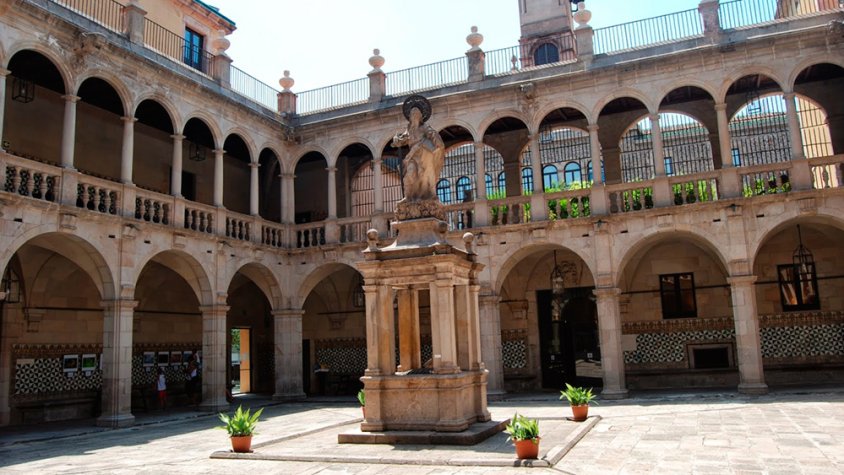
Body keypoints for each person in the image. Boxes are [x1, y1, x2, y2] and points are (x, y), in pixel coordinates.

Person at [391, 95, 445, 203]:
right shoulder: (409, 130)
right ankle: (408, 197)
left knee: (425, 176)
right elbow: (402, 139)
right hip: (412, 157)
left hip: (424, 155)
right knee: (409, 174)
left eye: (416, 114)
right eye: (412, 114)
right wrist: (397, 140)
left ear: (420, 116)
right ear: (410, 117)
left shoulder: (424, 127)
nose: (414, 116)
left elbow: (433, 135)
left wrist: (436, 141)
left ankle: (428, 197)